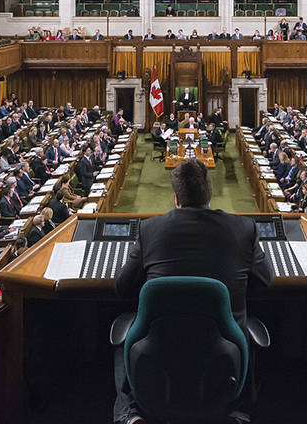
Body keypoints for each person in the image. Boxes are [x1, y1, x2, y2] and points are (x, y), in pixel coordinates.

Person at [114, 159, 271, 424]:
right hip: (223, 363)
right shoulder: (244, 229)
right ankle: (236, 409)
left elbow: (122, 286)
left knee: (121, 338)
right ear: (211, 193)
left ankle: (129, 415)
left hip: (156, 359)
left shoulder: (149, 229)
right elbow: (265, 281)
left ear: (176, 198)